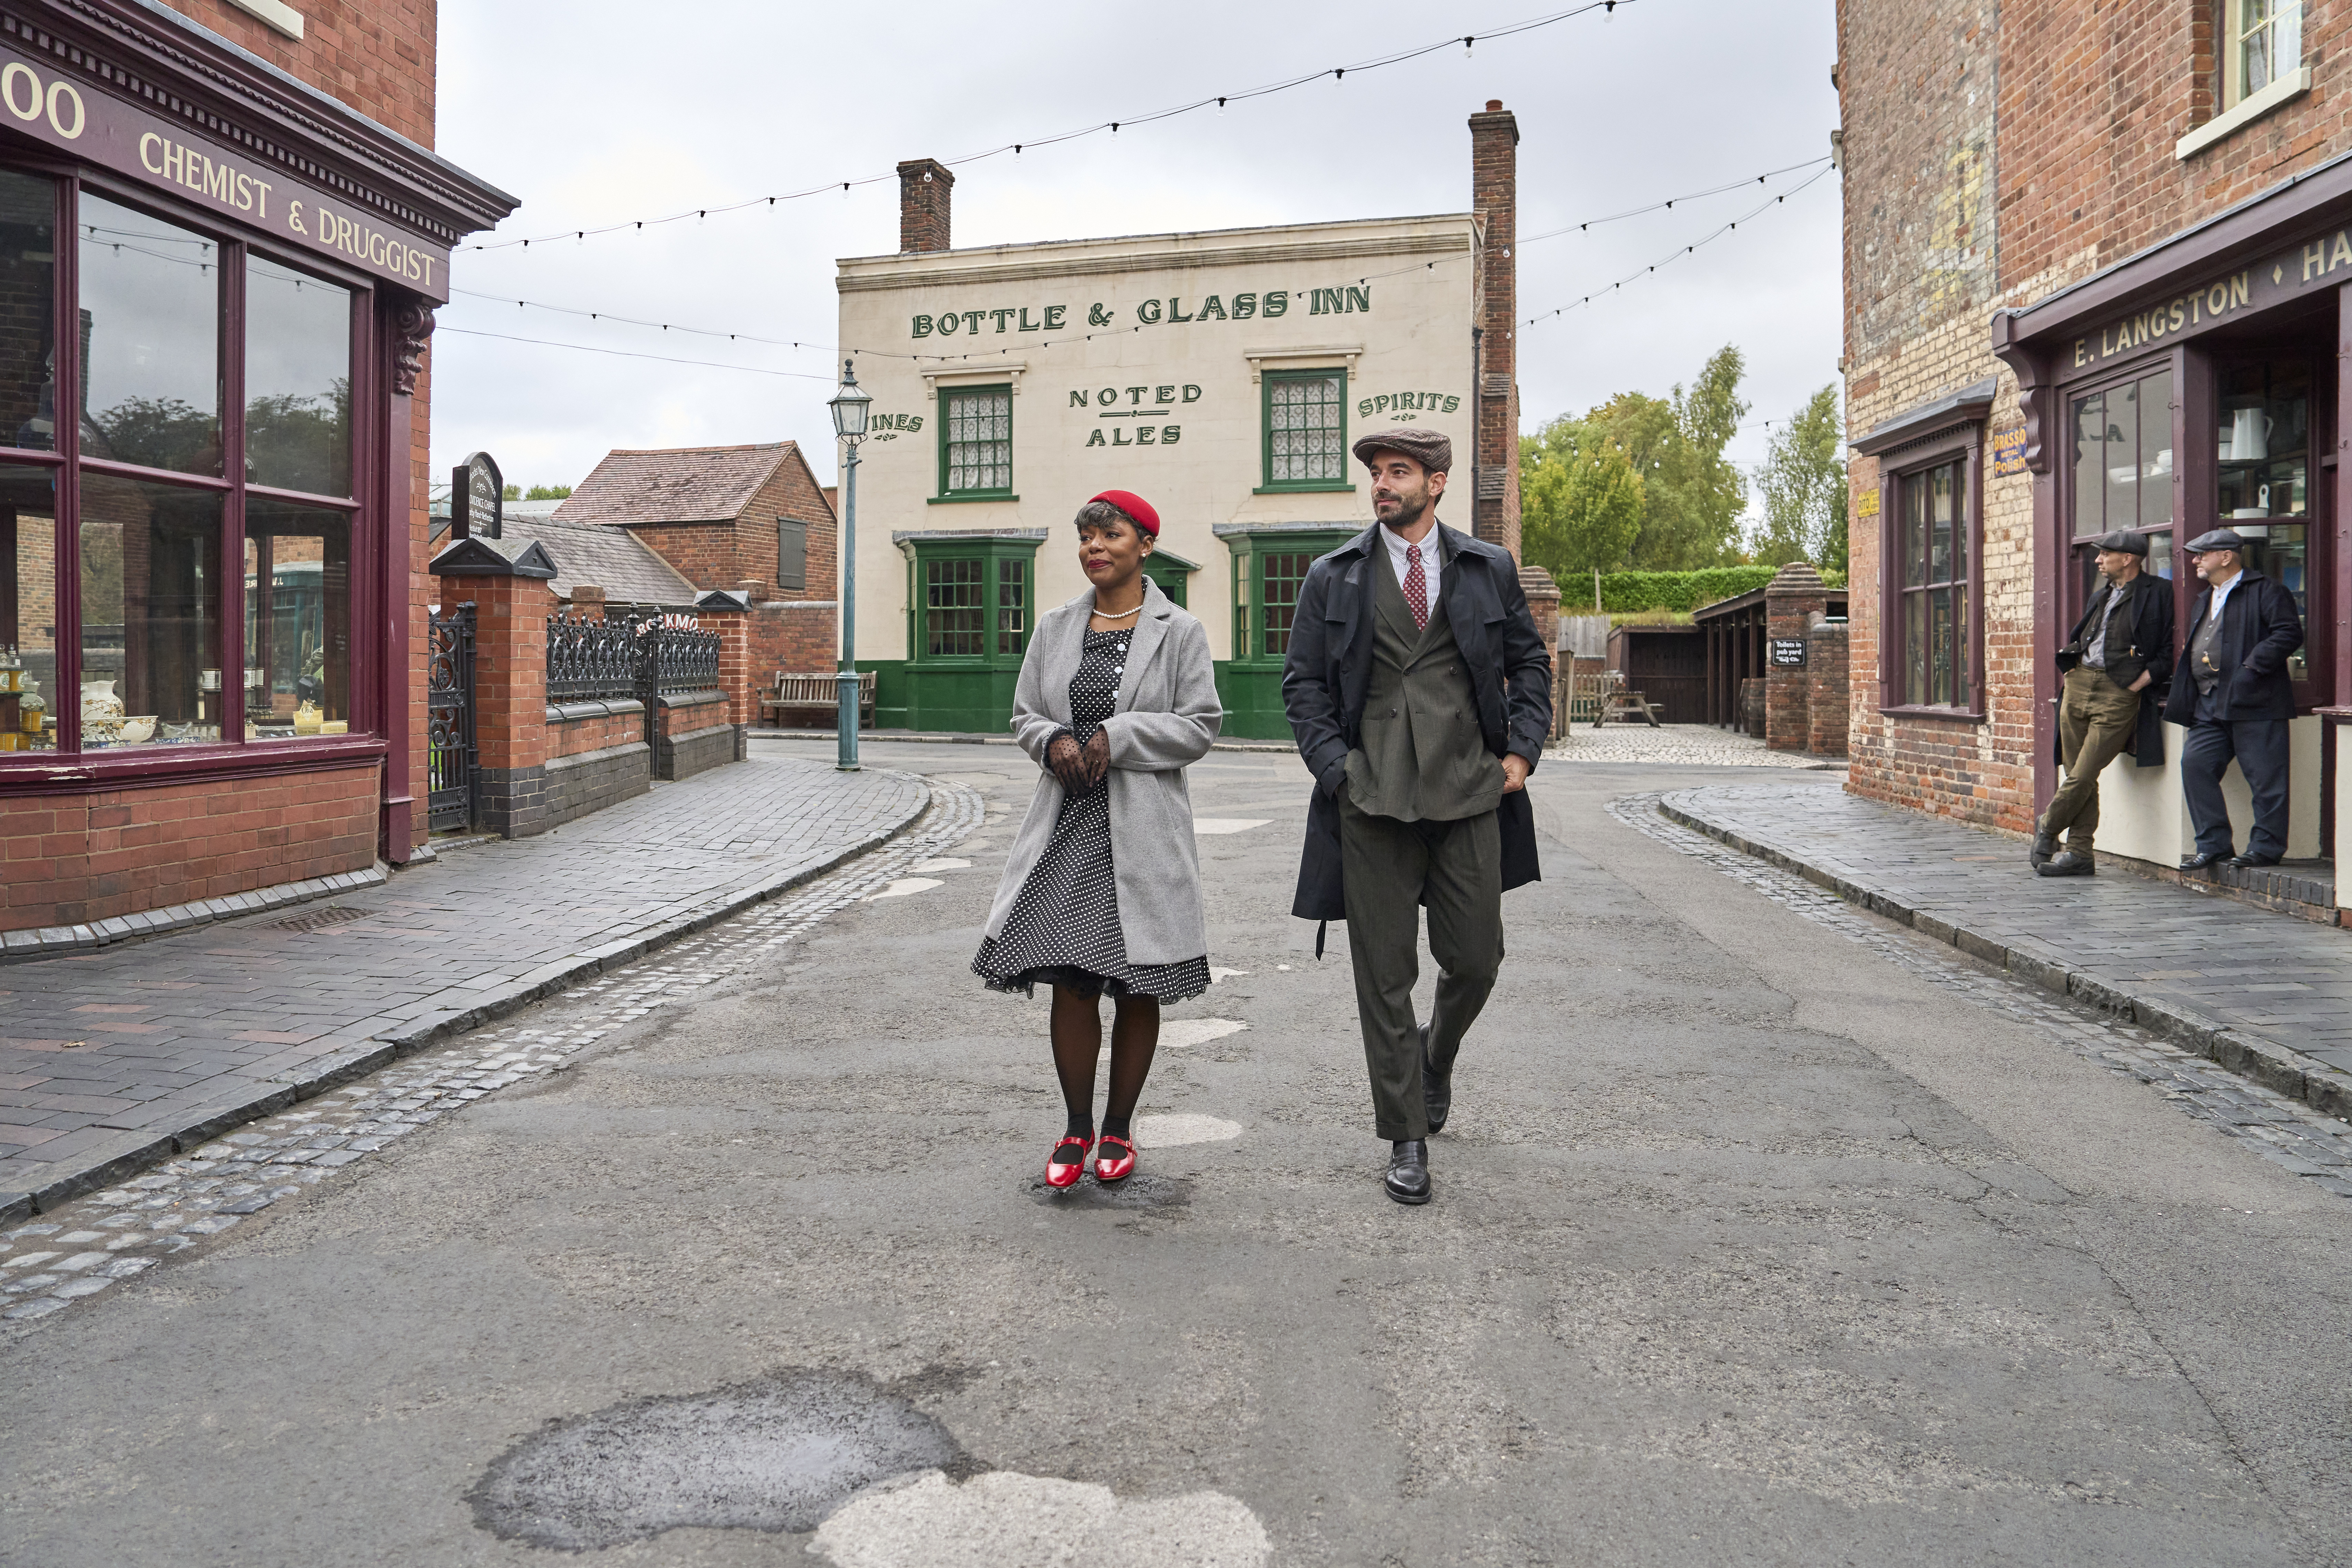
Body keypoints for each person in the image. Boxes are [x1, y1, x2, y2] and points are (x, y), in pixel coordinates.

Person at [1280, 428, 1552, 1205]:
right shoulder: (1332, 576)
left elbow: (1528, 663)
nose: (1381, 485)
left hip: (1468, 791)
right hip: (1370, 801)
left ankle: (1434, 1059)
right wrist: (1335, 770)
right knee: (1384, 976)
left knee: (1475, 961)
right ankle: (1405, 1133)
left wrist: (1521, 754)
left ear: (1437, 483)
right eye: (1375, 473)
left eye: (1398, 472)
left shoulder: (1485, 568)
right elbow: (1302, 685)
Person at [973, 490, 1222, 1190]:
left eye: (1109, 536)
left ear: (1144, 544)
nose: (1094, 549)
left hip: (1143, 831)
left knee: (1135, 984)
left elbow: (1200, 725)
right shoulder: (1054, 627)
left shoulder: (1180, 632)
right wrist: (1050, 739)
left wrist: (1122, 735)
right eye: (1085, 538)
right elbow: (1024, 713)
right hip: (1069, 828)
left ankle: (1119, 1128)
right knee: (1072, 981)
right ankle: (1076, 1128)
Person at [2031, 530, 2174, 877]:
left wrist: (2139, 683)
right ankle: (2080, 853)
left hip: (2118, 691)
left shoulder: (2159, 592)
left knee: (2084, 771)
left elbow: (2171, 647)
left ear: (2127, 559)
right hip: (2079, 684)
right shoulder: (2101, 595)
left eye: (2104, 555)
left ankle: (2048, 826)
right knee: (2077, 772)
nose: (2097, 560)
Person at [2165, 528, 2305, 870]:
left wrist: (2251, 667)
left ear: (2226, 556)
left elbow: (2289, 633)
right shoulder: (2205, 598)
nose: (2196, 561)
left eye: (2202, 554)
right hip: (2209, 702)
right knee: (2195, 765)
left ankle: (2266, 848)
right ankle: (2214, 845)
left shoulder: (2268, 590)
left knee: (2266, 779)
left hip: (2256, 701)